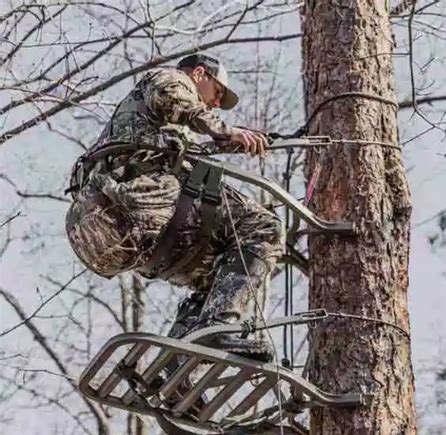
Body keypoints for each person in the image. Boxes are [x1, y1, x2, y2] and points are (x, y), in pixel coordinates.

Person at [65, 53, 285, 362]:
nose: (216, 103)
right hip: (137, 205)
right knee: (264, 227)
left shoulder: (154, 128)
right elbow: (172, 96)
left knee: (221, 275)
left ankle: (177, 365)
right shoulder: (170, 79)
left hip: (115, 234)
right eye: (218, 92)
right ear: (198, 74)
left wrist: (225, 140)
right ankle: (217, 328)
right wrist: (226, 131)